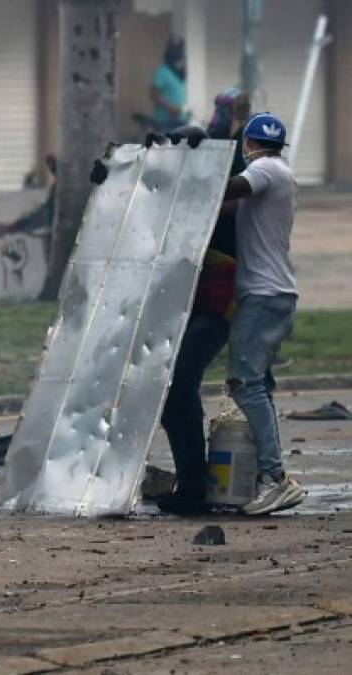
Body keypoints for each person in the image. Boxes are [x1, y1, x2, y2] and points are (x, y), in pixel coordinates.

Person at [157, 90, 251, 515]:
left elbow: (226, 190)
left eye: (224, 114)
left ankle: (195, 486)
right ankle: (190, 480)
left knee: (181, 384)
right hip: (185, 300)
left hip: (218, 305)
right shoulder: (191, 182)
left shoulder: (235, 173)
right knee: (170, 391)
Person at [217, 111, 304, 515]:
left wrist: (204, 167)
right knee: (258, 387)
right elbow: (231, 209)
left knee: (244, 382)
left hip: (265, 295)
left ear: (248, 145)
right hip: (273, 294)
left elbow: (232, 187)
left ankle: (276, 479)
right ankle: (261, 473)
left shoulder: (267, 170)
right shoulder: (279, 175)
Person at [149, 38, 188, 134]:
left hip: (181, 120)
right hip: (166, 122)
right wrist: (170, 107)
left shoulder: (179, 74)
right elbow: (154, 93)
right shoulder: (162, 71)